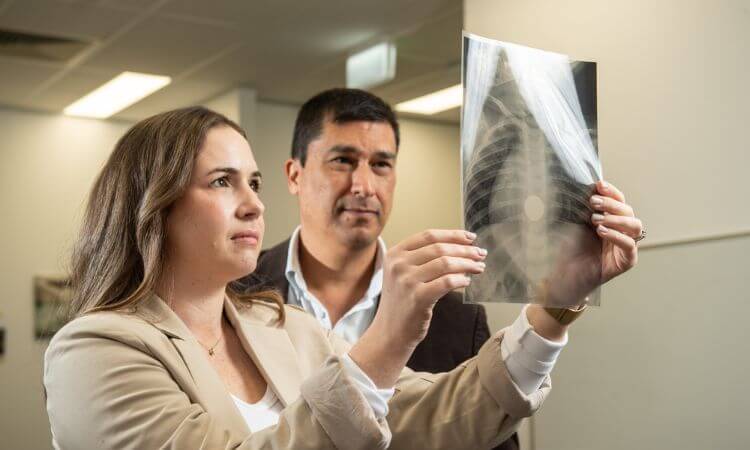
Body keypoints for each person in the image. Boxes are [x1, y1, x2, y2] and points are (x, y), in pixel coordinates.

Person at [43, 106, 642, 449]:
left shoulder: (285, 327)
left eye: (252, 183)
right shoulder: (96, 350)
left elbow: (439, 414)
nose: (253, 203)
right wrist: (388, 339)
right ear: (153, 204)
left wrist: (554, 305)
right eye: (222, 182)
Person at [235, 88, 517, 447]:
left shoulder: (456, 319)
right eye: (343, 161)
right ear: (295, 175)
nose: (364, 186)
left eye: (381, 165)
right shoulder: (235, 294)